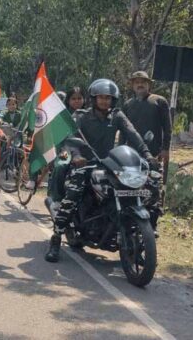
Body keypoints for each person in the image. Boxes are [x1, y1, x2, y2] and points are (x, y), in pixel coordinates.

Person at [45, 78, 153, 263]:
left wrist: (147, 155)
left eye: (108, 98)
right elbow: (70, 138)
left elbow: (133, 135)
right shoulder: (81, 116)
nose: (104, 101)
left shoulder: (117, 116)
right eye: (101, 97)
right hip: (85, 163)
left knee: (148, 189)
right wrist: (76, 156)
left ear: (113, 99)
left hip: (110, 165)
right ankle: (56, 238)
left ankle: (139, 241)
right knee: (74, 191)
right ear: (94, 99)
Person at [121, 71, 171, 231]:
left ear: (149, 84)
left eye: (143, 82)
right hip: (131, 156)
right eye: (136, 82)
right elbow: (123, 131)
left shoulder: (159, 101)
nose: (140, 84)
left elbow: (167, 127)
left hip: (153, 155)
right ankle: (129, 225)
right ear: (132, 85)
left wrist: (165, 148)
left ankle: (152, 226)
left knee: (153, 191)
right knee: (128, 190)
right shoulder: (128, 105)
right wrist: (120, 150)